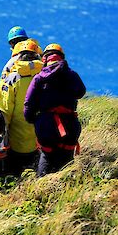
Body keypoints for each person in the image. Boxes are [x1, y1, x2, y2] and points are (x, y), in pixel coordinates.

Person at [24, 43, 86, 177]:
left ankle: (42, 190)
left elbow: (29, 104)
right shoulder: (72, 75)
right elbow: (80, 92)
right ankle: (68, 190)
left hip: (46, 125)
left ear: (45, 59)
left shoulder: (38, 78)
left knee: (46, 156)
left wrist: (32, 119)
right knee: (67, 159)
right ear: (62, 58)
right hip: (69, 124)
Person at [0, 40, 44, 176]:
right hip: (40, 139)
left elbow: (3, 110)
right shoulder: (45, 77)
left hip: (16, 141)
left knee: (16, 175)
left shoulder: (12, 79)